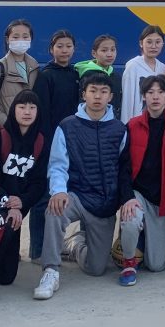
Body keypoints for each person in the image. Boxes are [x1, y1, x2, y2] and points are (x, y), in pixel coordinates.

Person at [34, 72, 130, 300]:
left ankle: (76, 244)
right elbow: (58, 164)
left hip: (104, 204)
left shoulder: (120, 129)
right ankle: (50, 271)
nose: (98, 96)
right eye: (93, 91)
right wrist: (58, 190)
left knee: (96, 268)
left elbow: (124, 170)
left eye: (103, 92)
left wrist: (121, 199)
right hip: (76, 196)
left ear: (111, 97)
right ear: (84, 94)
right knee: (54, 209)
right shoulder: (67, 126)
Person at [0, 90, 48, 303]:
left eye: (32, 107)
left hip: (17, 208)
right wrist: (8, 203)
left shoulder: (40, 141)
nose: (27, 112)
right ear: (13, 109)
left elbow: (39, 182)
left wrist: (22, 202)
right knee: (5, 224)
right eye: (22, 107)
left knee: (6, 277)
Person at [118, 74, 165, 282]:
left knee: (156, 265)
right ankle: (128, 263)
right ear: (144, 97)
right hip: (138, 194)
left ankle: (140, 241)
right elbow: (123, 167)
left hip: (163, 200)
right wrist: (127, 197)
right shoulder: (132, 125)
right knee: (131, 220)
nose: (156, 97)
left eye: (160, 92)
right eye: (150, 92)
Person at [27, 29, 79, 262]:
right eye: (60, 46)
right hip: (49, 143)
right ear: (51, 50)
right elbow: (42, 113)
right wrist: (48, 143)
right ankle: (38, 250)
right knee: (43, 199)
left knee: (65, 196)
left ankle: (56, 245)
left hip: (72, 141)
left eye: (68, 46)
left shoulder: (76, 74)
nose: (64, 50)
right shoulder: (46, 75)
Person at [0, 19, 39, 130]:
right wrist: (10, 124)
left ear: (31, 39)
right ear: (7, 39)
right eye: (15, 37)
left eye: (25, 37)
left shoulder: (35, 68)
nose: (20, 41)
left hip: (29, 136)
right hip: (4, 135)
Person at [120, 25, 165, 121]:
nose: (153, 46)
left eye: (158, 42)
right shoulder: (133, 67)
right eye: (149, 42)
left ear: (163, 44)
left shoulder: (163, 68)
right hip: (137, 121)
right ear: (141, 43)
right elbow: (127, 102)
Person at [73, 34, 123, 118]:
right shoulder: (88, 74)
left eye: (113, 50)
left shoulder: (116, 76)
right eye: (104, 50)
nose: (109, 54)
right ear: (94, 53)